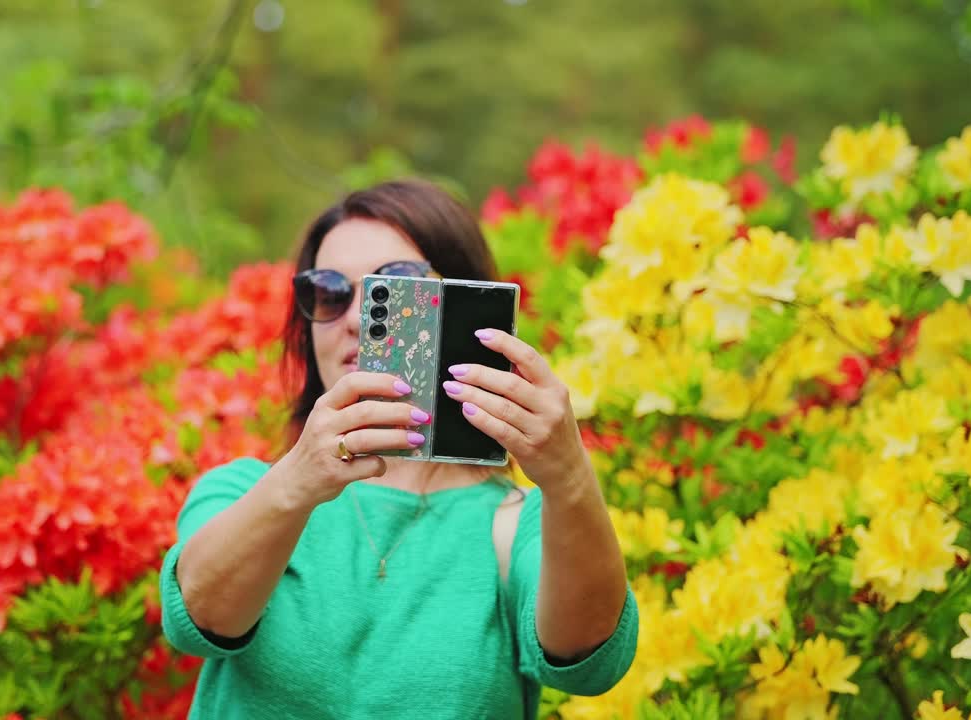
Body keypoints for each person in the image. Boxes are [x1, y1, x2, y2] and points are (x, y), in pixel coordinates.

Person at [159, 179, 637, 719]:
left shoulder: (514, 528)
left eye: (395, 286)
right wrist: (296, 482)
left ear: (469, 305)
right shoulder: (246, 492)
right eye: (331, 292)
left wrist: (570, 479)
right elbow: (198, 618)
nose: (358, 318)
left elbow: (592, 661)